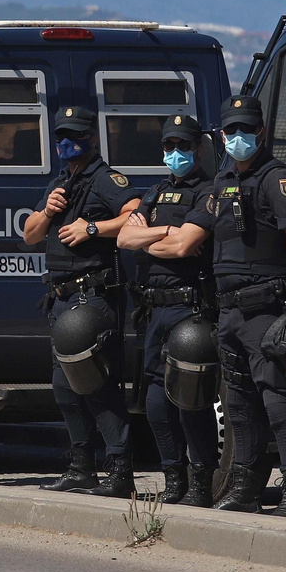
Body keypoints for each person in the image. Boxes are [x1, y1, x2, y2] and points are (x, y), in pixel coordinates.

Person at [176, 94, 286, 516]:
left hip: (264, 308)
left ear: (261, 132)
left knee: (276, 396)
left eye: (245, 130)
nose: (238, 137)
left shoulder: (277, 178)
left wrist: (279, 281)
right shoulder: (221, 182)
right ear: (221, 135)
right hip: (229, 311)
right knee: (238, 401)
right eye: (230, 130)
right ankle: (246, 486)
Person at [21, 107, 140, 498]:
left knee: (98, 386)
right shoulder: (60, 182)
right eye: (61, 136)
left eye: (76, 135)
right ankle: (81, 466)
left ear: (92, 138)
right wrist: (47, 210)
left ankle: (120, 469)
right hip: (60, 299)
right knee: (64, 388)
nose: (68, 143)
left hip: (93, 298)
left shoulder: (104, 178)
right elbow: (30, 236)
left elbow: (137, 213)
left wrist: (93, 228)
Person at [116, 114, 219, 507]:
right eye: (169, 146)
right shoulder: (156, 192)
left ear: (197, 149)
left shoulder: (207, 192)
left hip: (189, 308)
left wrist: (152, 238)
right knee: (156, 402)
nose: (175, 153)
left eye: (182, 146)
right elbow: (126, 237)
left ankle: (201, 481)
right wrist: (161, 233)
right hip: (154, 311)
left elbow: (185, 247)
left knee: (191, 399)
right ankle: (173, 477)